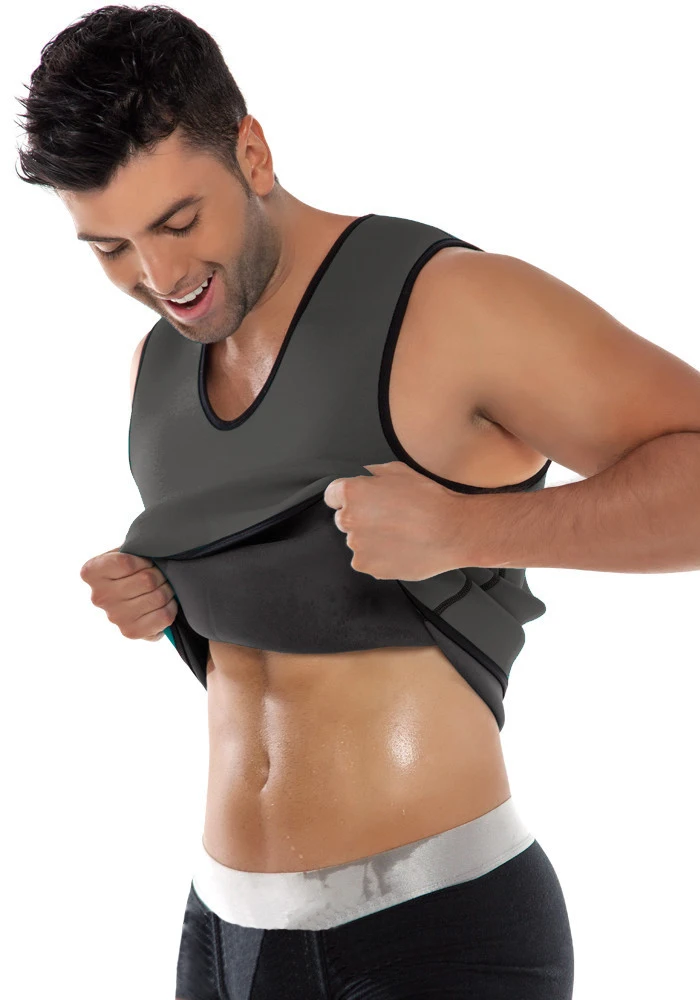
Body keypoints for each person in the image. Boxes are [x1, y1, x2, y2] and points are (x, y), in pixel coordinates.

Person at [16, 6, 700, 999]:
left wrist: (469, 528)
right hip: (222, 933)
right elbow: (289, 642)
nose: (160, 277)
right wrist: (162, 602)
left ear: (252, 154)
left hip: (432, 931)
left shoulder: (451, 304)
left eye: (178, 222)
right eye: (111, 248)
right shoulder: (153, 368)